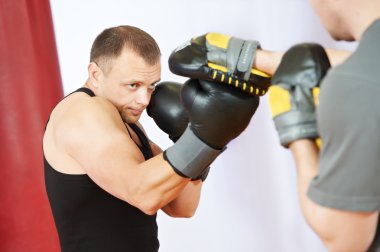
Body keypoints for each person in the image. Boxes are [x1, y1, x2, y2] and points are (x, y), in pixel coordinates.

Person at [168, 0, 380, 248]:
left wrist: (297, 124)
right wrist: (254, 60)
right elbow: (363, 67)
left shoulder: (357, 86)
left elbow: (345, 238)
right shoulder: (364, 72)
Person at [42, 25, 259, 252]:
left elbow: (183, 206)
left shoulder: (129, 123)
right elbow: (144, 195)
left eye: (151, 86)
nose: (144, 100)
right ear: (96, 74)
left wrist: (187, 136)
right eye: (133, 85)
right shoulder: (84, 113)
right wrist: (204, 137)